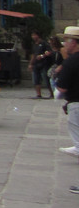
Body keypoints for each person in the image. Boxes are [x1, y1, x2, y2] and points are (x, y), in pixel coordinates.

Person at [54, 27, 79, 157]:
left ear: (74, 42)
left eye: (66, 40)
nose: (64, 44)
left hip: (76, 101)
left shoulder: (71, 61)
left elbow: (62, 87)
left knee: (75, 127)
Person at [30, 30, 53, 100]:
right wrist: (31, 63)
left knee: (46, 79)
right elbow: (34, 55)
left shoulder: (44, 44)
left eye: (34, 35)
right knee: (36, 79)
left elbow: (49, 52)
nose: (33, 37)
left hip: (44, 63)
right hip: (36, 64)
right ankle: (38, 94)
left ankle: (52, 93)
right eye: (32, 35)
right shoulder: (35, 45)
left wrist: (42, 56)